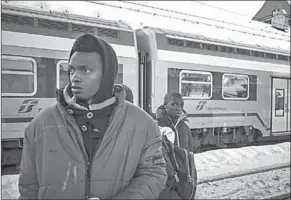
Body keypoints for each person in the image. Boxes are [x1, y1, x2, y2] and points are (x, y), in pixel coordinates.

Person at [18, 34, 167, 200]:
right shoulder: (41, 124)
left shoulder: (142, 123)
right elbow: (28, 188)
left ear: (107, 74)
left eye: (86, 70)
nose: (74, 77)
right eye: (72, 70)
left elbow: (153, 174)